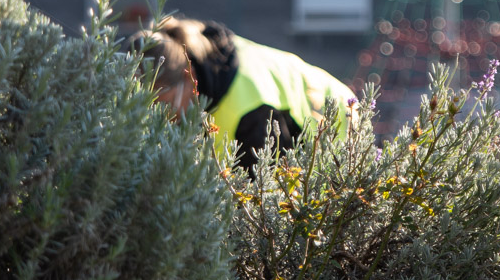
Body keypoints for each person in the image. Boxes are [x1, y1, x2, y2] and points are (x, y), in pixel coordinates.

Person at [127, 16, 356, 169]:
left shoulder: (253, 111)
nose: (158, 116)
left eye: (165, 105)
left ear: (190, 78)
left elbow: (271, 197)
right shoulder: (204, 59)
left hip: (340, 124)